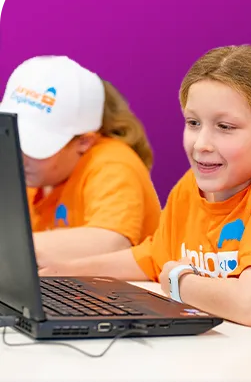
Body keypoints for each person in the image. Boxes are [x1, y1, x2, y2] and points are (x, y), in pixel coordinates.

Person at [38, 45, 251, 327]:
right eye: (193, 123)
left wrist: (179, 280)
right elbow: (151, 258)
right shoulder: (189, 187)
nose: (201, 144)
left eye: (225, 127)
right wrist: (66, 272)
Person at [0, 55, 161, 265]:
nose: (20, 156)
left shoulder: (113, 164)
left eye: (34, 145)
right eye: (15, 137)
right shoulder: (37, 171)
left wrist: (10, 246)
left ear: (84, 141)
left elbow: (111, 241)